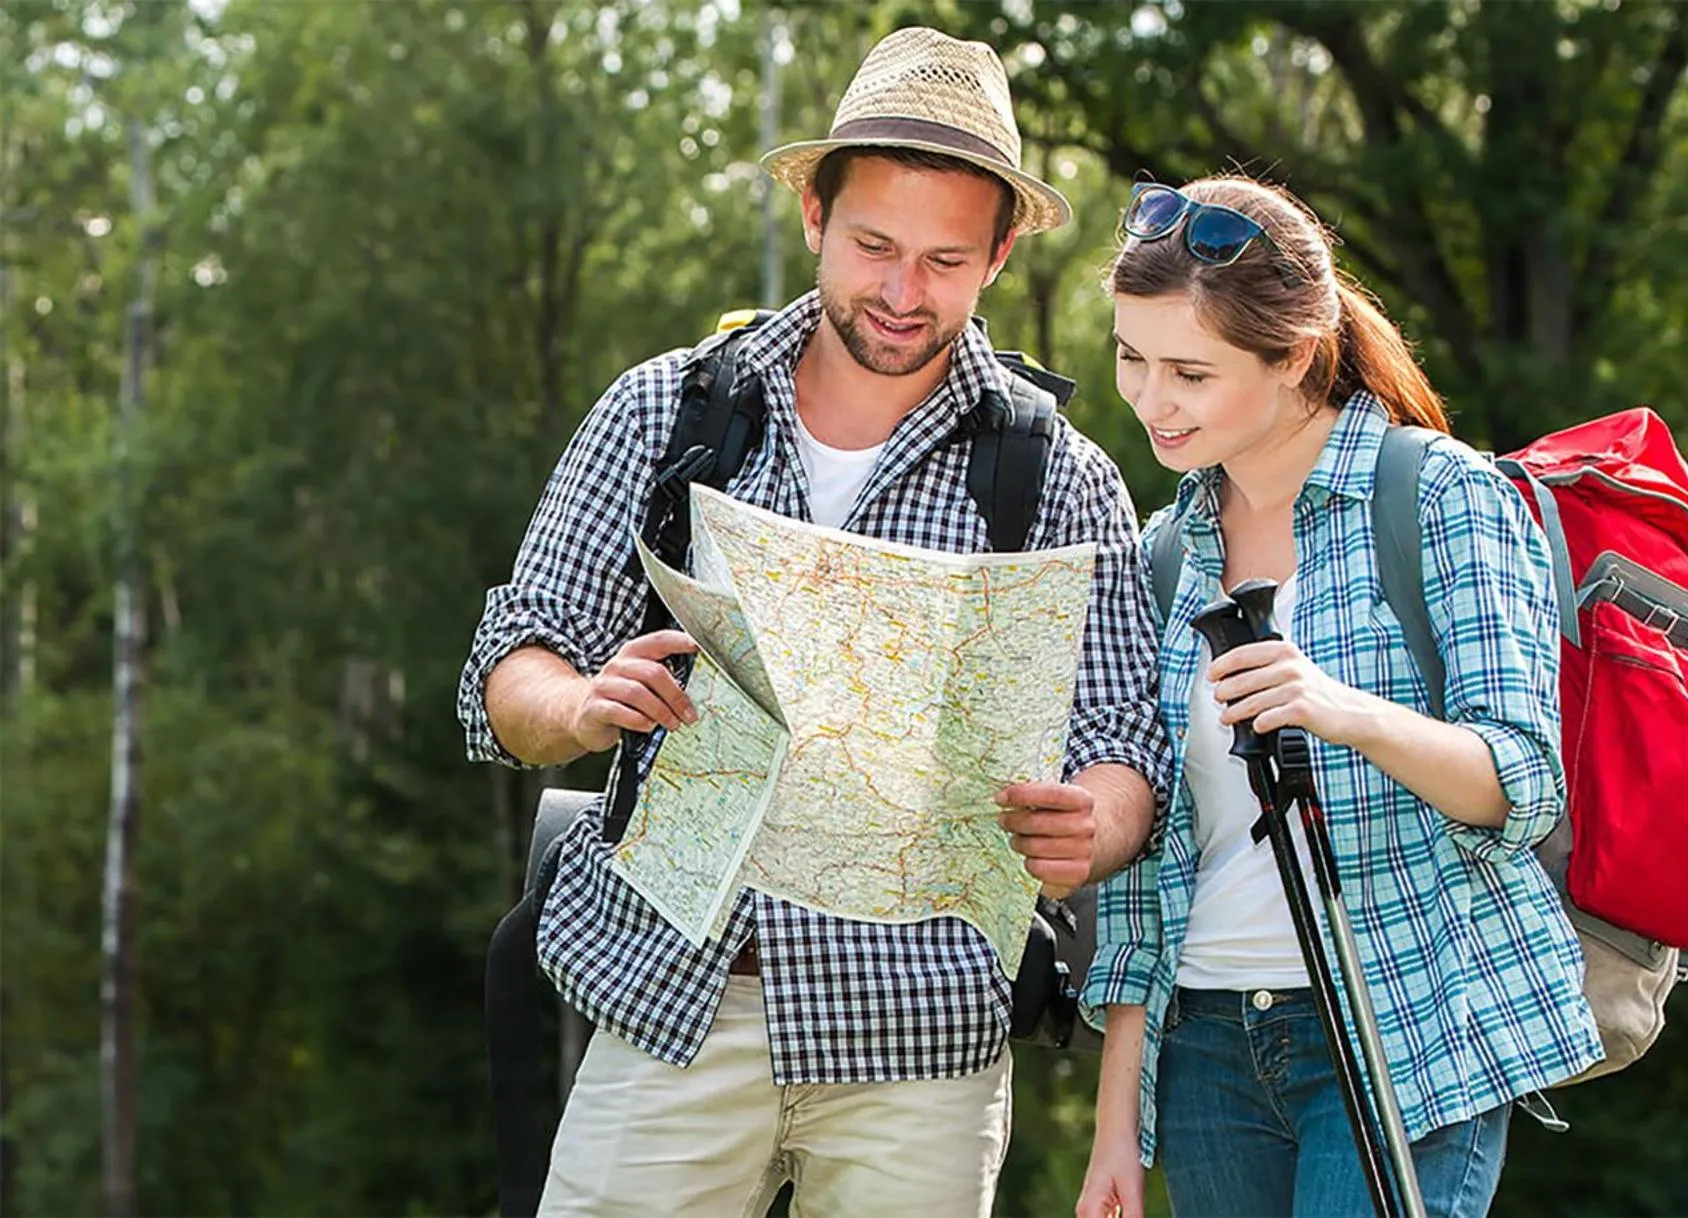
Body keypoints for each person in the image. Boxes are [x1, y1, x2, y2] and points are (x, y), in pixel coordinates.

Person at [458, 28, 1169, 1218]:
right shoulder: (669, 412)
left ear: (998, 255)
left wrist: (1090, 825)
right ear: (812, 218)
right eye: (873, 245)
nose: (901, 293)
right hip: (668, 996)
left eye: (943, 259)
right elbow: (512, 660)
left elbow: (1122, 743)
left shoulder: (1061, 479)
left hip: (921, 1036)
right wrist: (577, 705)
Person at [1075, 176, 1604, 1218]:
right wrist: (1113, 1130)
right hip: (1208, 1053)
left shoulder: (1442, 495)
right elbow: (1147, 878)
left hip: (1402, 1033)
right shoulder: (1163, 552)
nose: (1149, 400)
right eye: (1131, 359)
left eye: (1190, 371)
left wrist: (1333, 705)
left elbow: (1524, 782)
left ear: (1295, 355)